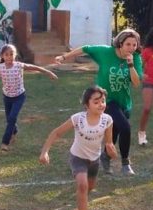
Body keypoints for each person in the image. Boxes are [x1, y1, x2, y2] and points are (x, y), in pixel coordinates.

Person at [55, 29, 142, 176]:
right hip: (106, 100)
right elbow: (86, 48)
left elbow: (136, 83)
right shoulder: (106, 52)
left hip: (124, 102)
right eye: (128, 44)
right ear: (120, 44)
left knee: (114, 133)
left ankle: (105, 157)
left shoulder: (136, 58)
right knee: (125, 127)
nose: (132, 48)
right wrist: (64, 56)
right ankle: (126, 163)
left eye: (134, 45)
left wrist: (131, 65)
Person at [39, 86, 118, 210]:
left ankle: (82, 201)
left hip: (94, 160)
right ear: (86, 105)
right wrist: (45, 152)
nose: (101, 104)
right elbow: (56, 133)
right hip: (77, 157)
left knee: (89, 187)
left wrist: (111, 150)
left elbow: (109, 142)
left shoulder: (107, 120)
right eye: (96, 102)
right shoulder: (78, 119)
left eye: (103, 101)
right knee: (82, 185)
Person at [0, 44, 58, 152]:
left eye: (12, 54)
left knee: (12, 118)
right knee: (10, 119)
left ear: (15, 55)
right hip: (7, 97)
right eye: (7, 55)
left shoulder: (19, 65)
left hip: (19, 96)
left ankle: (5, 143)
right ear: (2, 56)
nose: (10, 57)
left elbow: (34, 67)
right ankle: (14, 131)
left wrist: (48, 72)